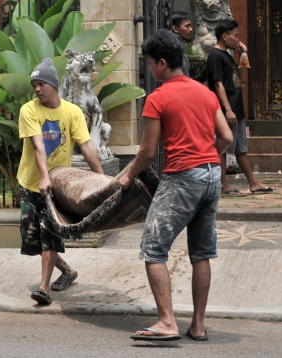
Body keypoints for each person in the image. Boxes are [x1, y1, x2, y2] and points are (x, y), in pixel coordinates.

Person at [119, 30, 233, 341]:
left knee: (153, 249)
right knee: (202, 252)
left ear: (162, 62)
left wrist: (126, 177)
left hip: (183, 177)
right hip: (211, 175)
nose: (150, 70)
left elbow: (146, 151)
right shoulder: (206, 93)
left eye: (150, 63)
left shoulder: (158, 97)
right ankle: (197, 326)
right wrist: (205, 158)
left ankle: (167, 323)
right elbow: (226, 138)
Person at [17, 57, 104, 305]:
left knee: (50, 233)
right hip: (30, 182)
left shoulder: (72, 111)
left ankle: (43, 288)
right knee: (32, 238)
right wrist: (43, 177)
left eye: (41, 83)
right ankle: (67, 270)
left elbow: (86, 145)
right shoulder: (29, 110)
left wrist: (101, 179)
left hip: (56, 185)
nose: (37, 89)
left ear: (53, 85)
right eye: (34, 84)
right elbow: (38, 146)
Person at [207, 19, 274, 196]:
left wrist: (243, 56)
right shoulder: (215, 56)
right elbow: (218, 84)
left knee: (240, 149)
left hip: (236, 108)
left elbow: (239, 77)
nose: (237, 39)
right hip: (226, 109)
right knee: (222, 146)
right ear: (225, 35)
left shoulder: (227, 55)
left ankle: (254, 183)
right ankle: (222, 185)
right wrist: (227, 109)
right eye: (235, 36)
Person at [171, 10, 193, 77]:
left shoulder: (179, 50)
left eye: (190, 26)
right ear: (175, 29)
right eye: (187, 26)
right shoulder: (173, 52)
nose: (191, 29)